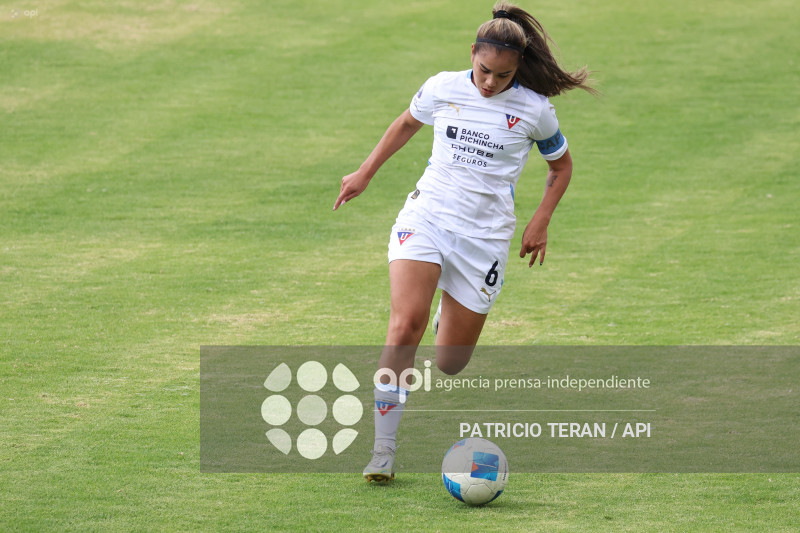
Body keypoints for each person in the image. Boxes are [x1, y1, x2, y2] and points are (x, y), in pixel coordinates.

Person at [333, 2, 594, 482]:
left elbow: (561, 165)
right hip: (427, 216)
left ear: (518, 69)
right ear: (472, 54)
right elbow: (407, 123)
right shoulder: (442, 87)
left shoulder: (535, 110)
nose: (491, 83)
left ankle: (445, 310)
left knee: (451, 362)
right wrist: (364, 172)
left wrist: (541, 219)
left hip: (485, 236)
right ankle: (383, 452)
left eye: (504, 75)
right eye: (484, 70)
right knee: (403, 325)